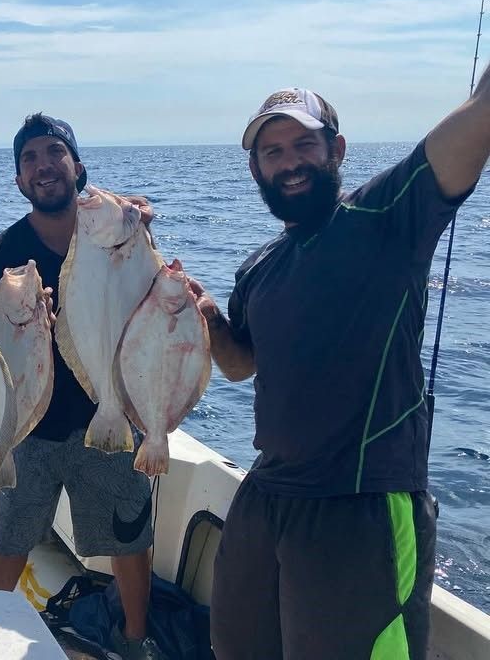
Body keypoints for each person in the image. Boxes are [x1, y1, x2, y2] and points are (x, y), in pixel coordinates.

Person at [195, 75, 490, 659]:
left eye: (304, 144)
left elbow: (480, 116)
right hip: (267, 495)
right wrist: (208, 320)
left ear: (337, 148)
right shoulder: (257, 268)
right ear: (255, 169)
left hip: (361, 506)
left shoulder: (387, 214)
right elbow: (242, 366)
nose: (289, 163)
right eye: (272, 152)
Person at [0, 113, 166, 660]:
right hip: (33, 427)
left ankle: (134, 639)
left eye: (54, 152)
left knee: (128, 535)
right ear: (19, 180)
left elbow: (147, 299)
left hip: (108, 415)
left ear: (78, 167)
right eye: (30, 158)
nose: (43, 166)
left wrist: (139, 223)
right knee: (12, 535)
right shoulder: (5, 251)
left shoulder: (116, 230)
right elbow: (3, 346)